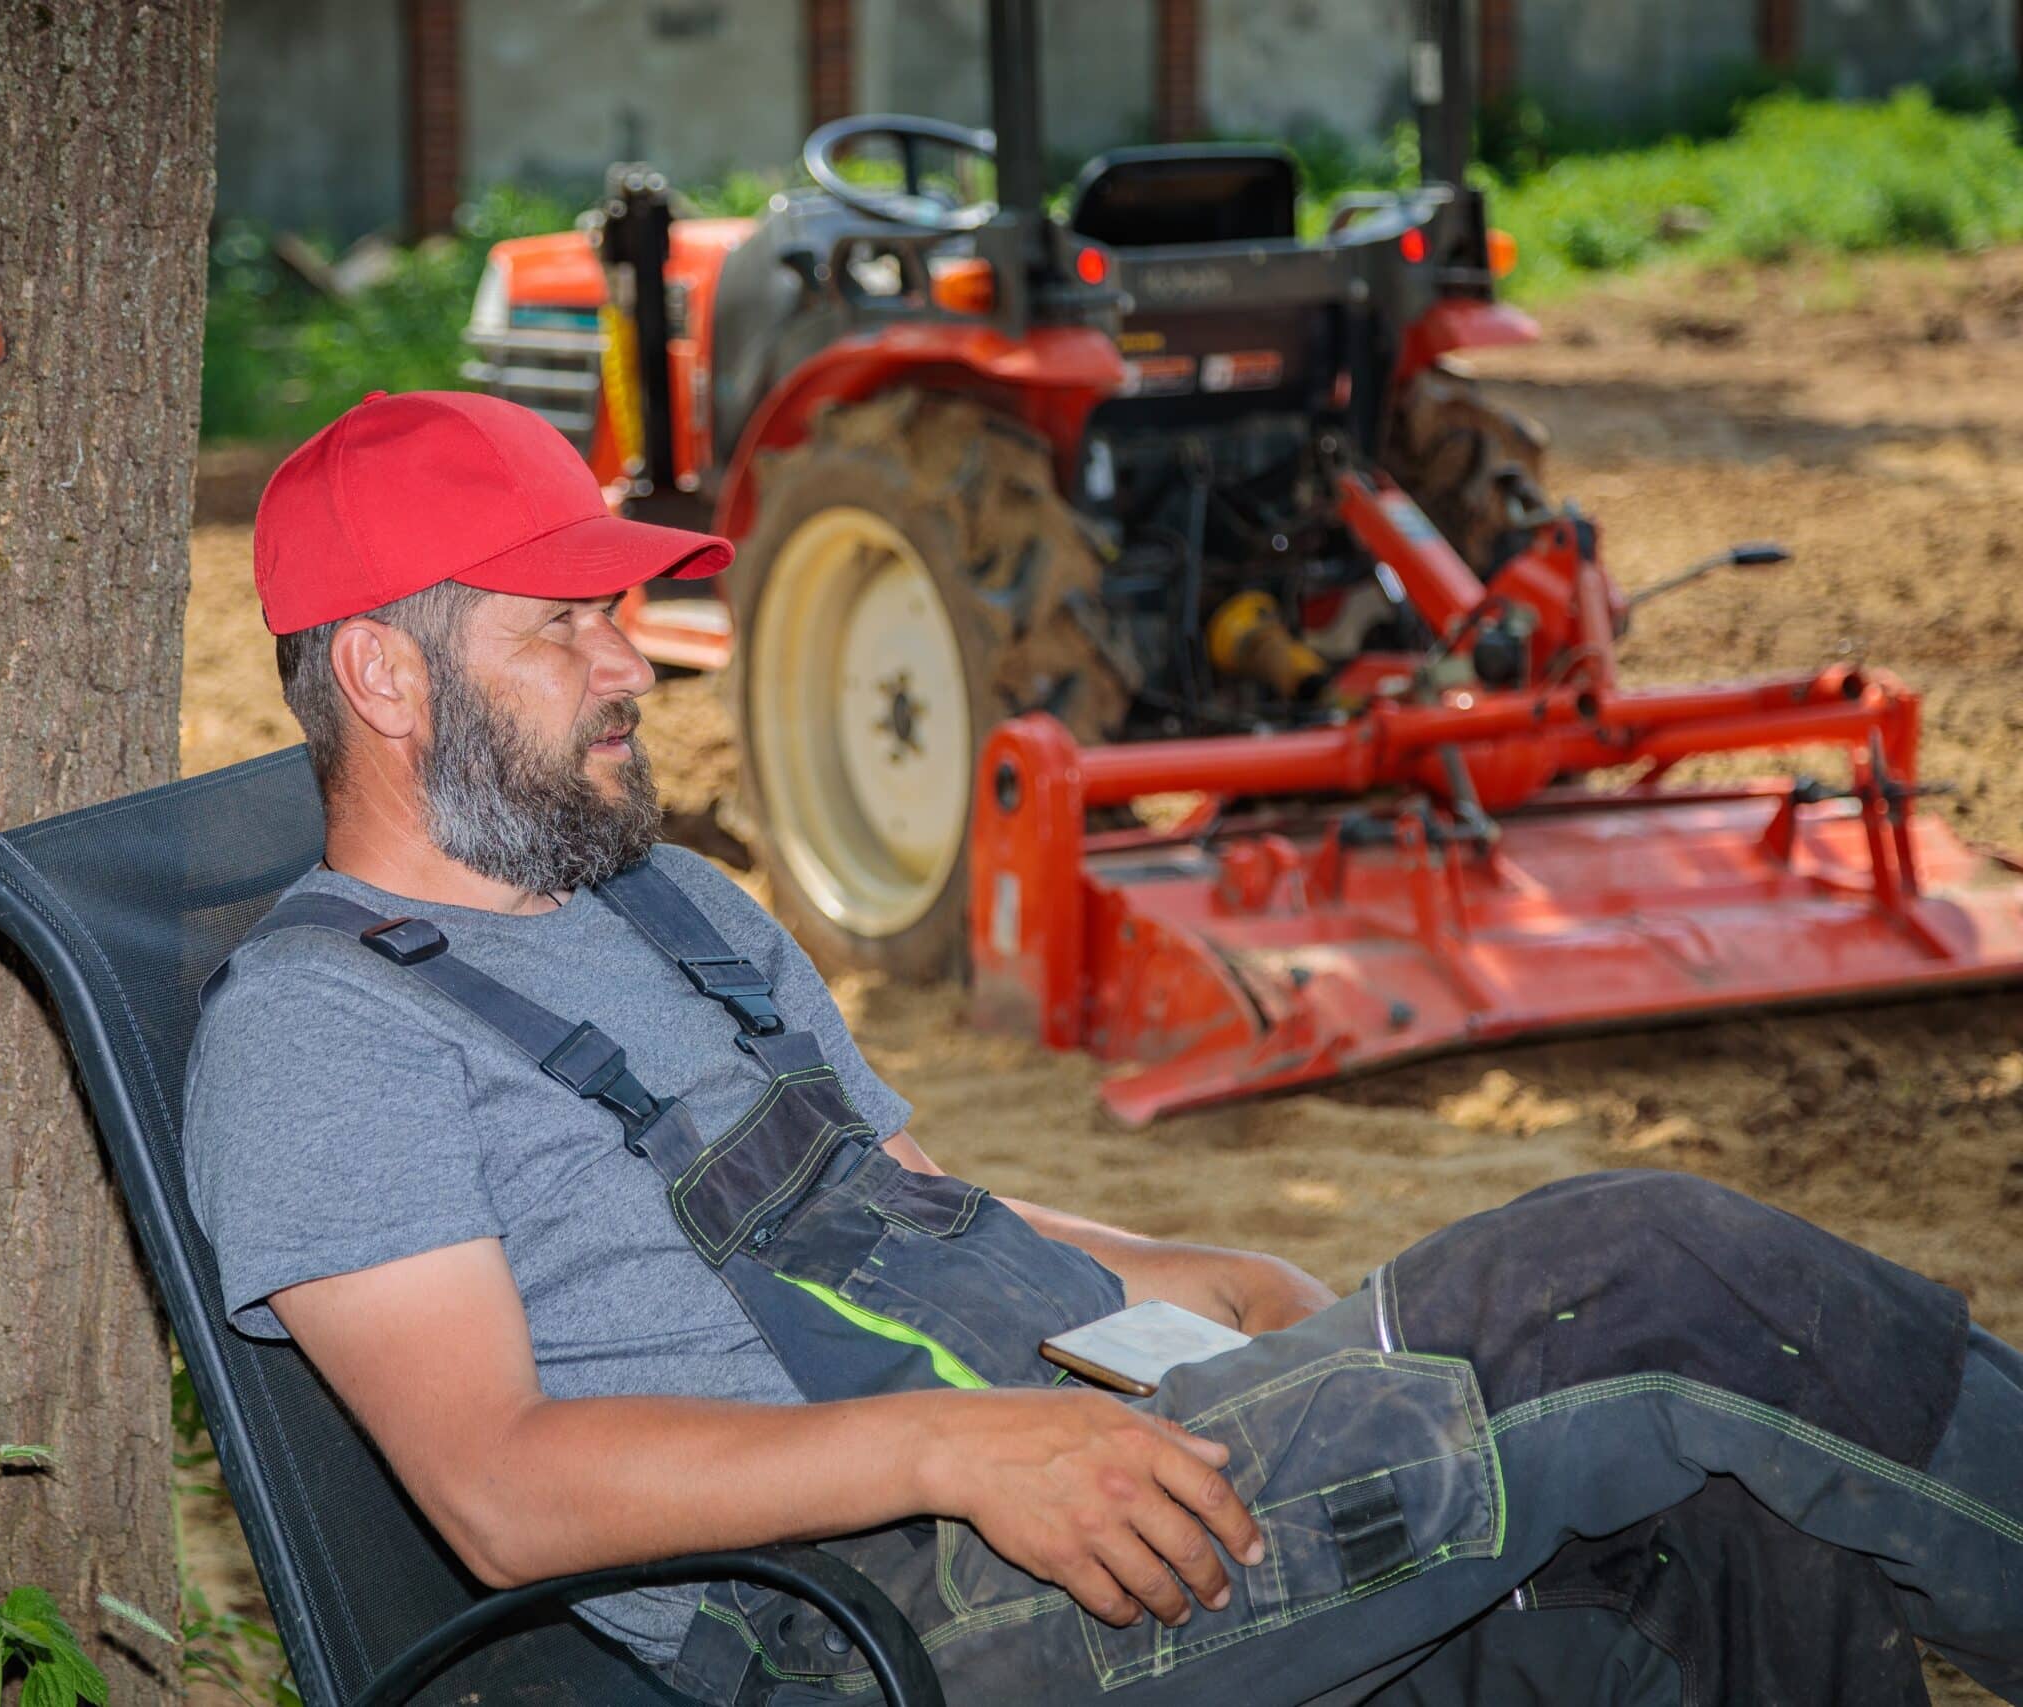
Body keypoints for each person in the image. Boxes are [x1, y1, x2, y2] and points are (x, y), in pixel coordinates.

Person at [183, 390, 2023, 1705]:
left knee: (1703, 1532)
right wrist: (959, 1453)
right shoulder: (324, 1033)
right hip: (881, 1618)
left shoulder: (672, 904)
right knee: (1652, 1285)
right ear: (387, 677)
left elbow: (897, 1201)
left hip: (1066, 1456)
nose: (632, 663)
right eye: (565, 624)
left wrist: (1159, 1271)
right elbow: (503, 1489)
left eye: (618, 610)